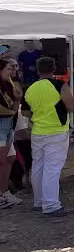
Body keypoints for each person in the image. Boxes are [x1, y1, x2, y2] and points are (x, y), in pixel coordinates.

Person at [22, 57, 74, 216]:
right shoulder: (60, 85)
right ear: (54, 69)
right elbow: (72, 106)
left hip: (38, 131)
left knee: (38, 167)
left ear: (38, 70)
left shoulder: (31, 88)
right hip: (56, 131)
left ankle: (39, 202)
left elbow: (25, 112)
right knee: (52, 169)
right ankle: (51, 205)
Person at [0, 59, 23, 209]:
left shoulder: (7, 85)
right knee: (2, 159)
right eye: (8, 69)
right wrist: (13, 110)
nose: (11, 72)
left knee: (10, 158)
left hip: (8, 124)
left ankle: (4, 192)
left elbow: (13, 108)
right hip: (1, 124)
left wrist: (17, 98)